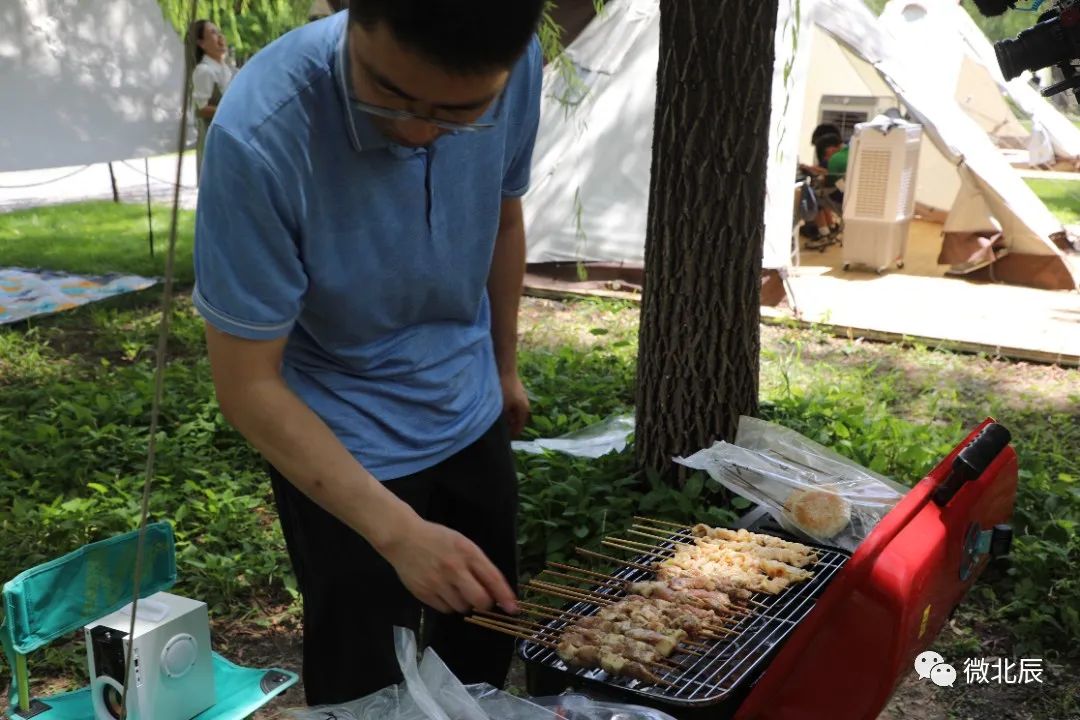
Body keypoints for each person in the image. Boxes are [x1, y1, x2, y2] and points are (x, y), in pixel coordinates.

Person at [191, 0, 544, 707]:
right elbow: (247, 386)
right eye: (388, 94)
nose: (418, 130)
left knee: (481, 643)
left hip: (468, 406)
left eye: (458, 112)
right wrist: (397, 532)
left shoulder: (514, 61)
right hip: (340, 439)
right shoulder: (260, 135)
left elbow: (504, 216)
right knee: (364, 678)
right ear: (352, 19)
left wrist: (504, 367)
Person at [188, 20, 235, 181]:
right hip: (214, 141)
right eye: (213, 33)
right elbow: (201, 109)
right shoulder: (204, 71)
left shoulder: (227, 69)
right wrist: (232, 111)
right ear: (201, 43)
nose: (220, 36)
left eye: (219, 31)